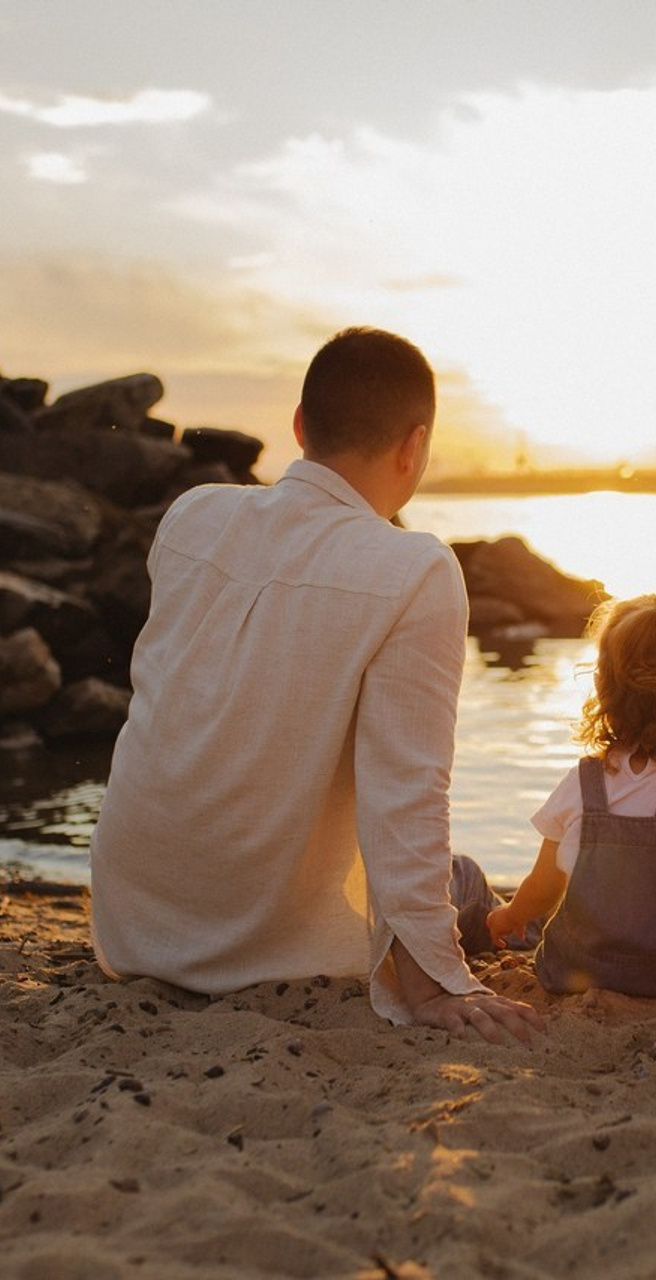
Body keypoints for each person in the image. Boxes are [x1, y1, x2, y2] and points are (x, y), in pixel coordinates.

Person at [90, 327, 543, 1046]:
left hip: (137, 924)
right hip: (268, 939)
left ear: (300, 427)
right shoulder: (417, 570)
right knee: (465, 881)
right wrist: (432, 982)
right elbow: (407, 789)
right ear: (414, 446)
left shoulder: (191, 517)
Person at [484, 594, 656, 996]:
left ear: (601, 686)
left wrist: (511, 915)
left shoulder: (581, 783)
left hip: (579, 968)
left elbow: (544, 885)